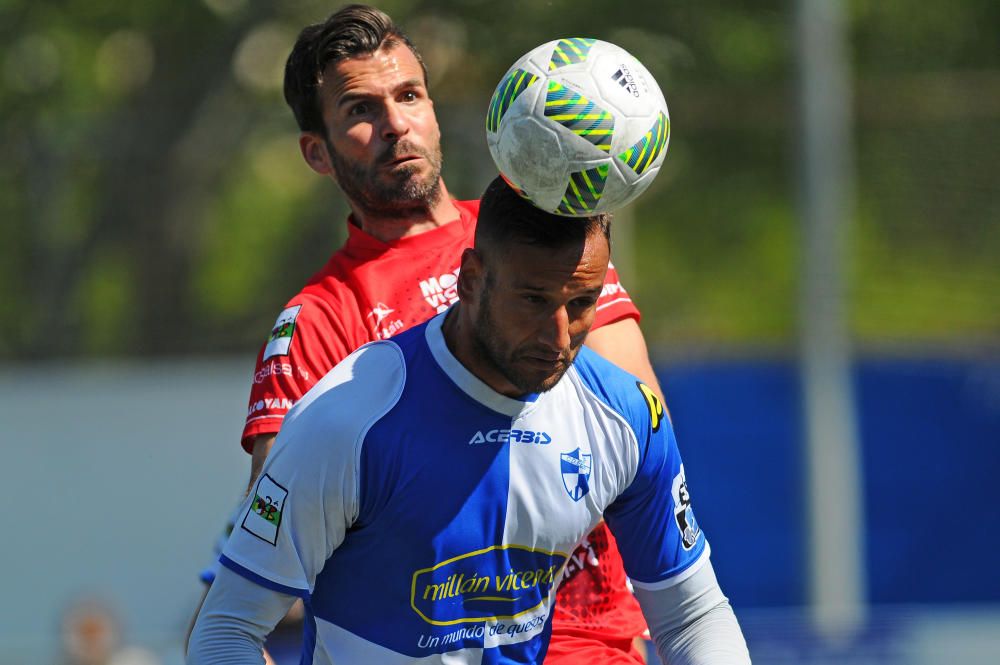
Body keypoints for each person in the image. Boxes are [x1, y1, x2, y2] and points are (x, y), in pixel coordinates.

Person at [196, 4, 666, 662]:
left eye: (409, 95)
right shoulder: (317, 321)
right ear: (316, 153)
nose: (395, 123)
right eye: (361, 110)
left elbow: (637, 434)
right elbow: (273, 538)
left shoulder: (543, 240)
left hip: (586, 638)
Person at [188, 177, 750, 664]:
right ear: (471, 278)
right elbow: (224, 631)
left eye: (580, 304)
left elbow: (692, 617)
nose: (559, 336)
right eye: (533, 301)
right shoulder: (347, 421)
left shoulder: (627, 416)